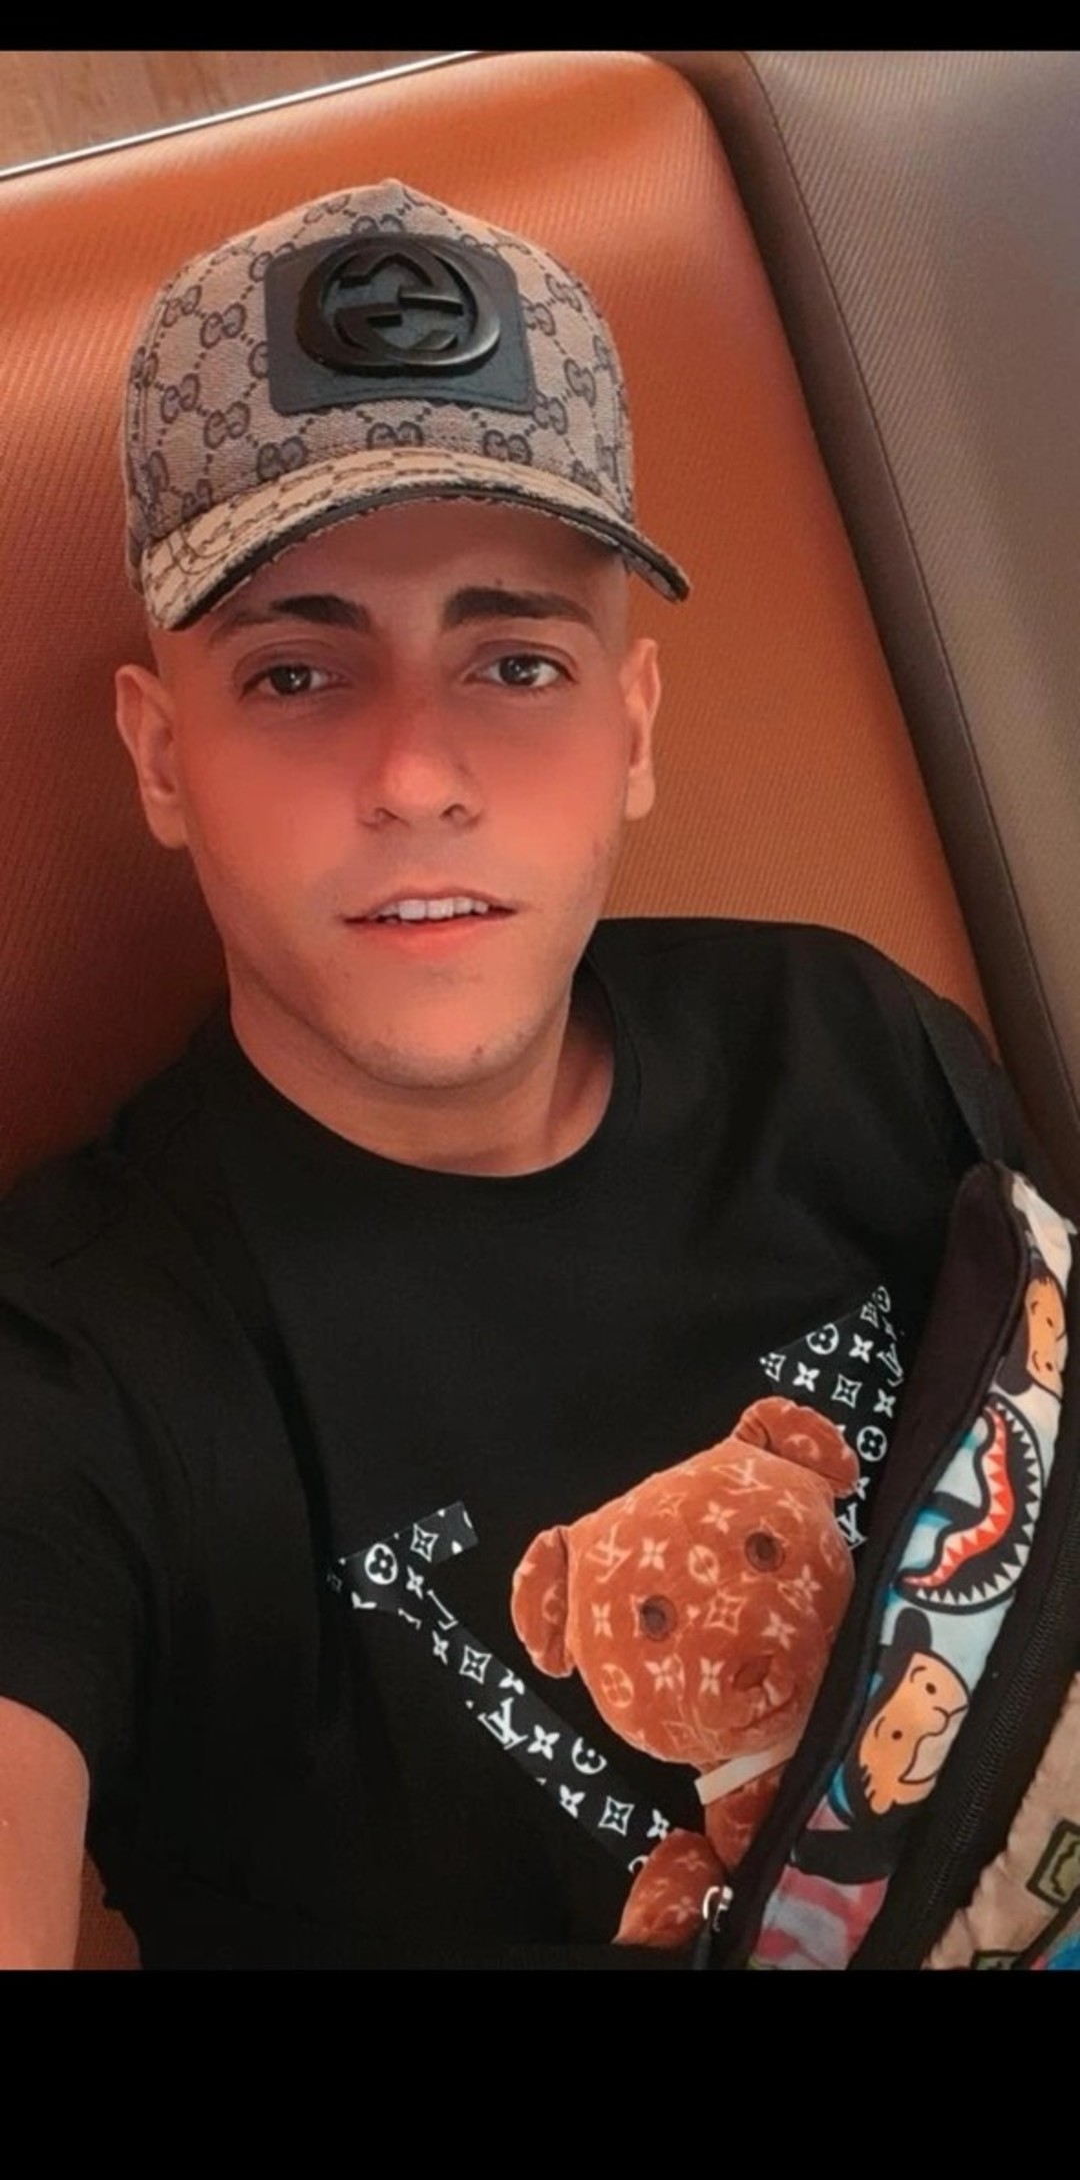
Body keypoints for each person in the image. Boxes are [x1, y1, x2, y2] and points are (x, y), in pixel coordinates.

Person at [0, 180, 1034, 1969]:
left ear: (632, 728)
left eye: (517, 660)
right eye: (297, 672)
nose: (417, 774)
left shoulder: (847, 1045)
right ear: (161, 761)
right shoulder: (80, 1369)